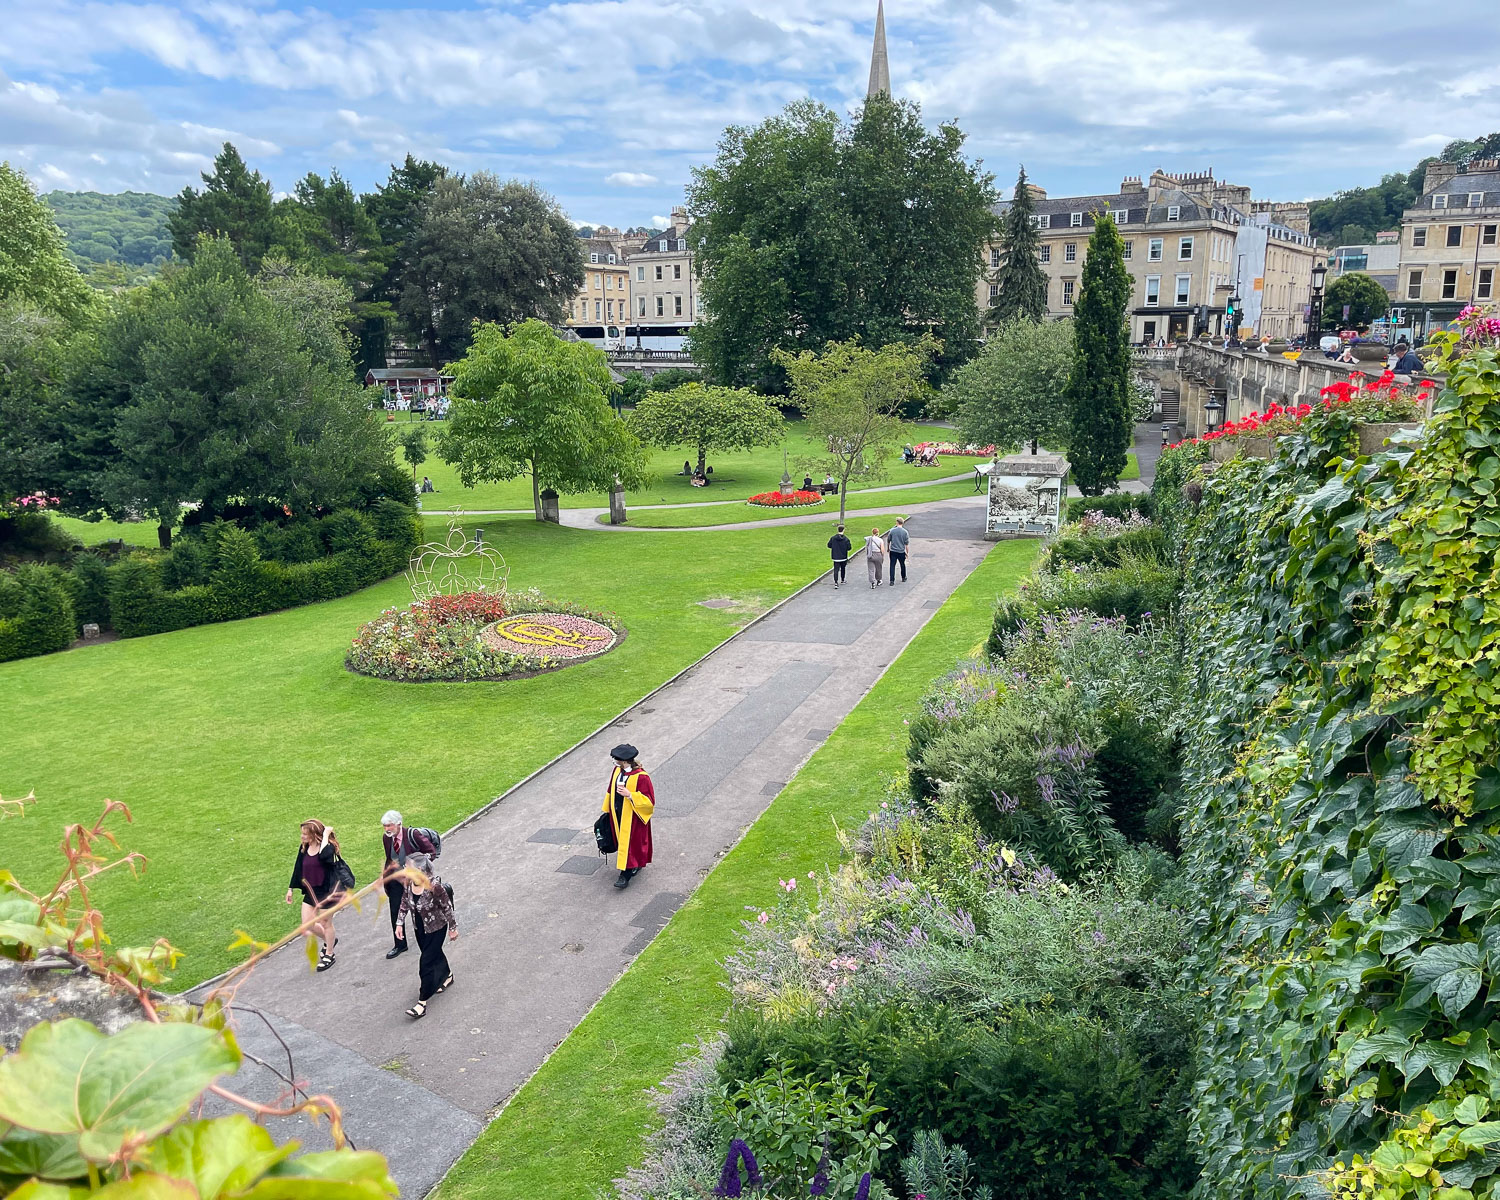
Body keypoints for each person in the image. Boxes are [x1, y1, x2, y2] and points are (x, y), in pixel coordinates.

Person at [394, 852, 457, 1019]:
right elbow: (404, 903)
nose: (404, 869)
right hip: (420, 928)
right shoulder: (409, 884)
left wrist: (453, 928)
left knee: (426, 963)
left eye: (407, 867)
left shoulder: (434, 886)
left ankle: (422, 1002)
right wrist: (399, 923)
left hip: (437, 928)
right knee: (433, 954)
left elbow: (447, 907)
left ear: (419, 869)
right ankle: (448, 975)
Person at [285, 819, 343, 973]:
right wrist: (291, 888)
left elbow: (324, 856)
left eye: (305, 834)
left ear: (314, 834)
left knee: (326, 923)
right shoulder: (304, 848)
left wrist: (325, 835)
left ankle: (329, 953)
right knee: (307, 924)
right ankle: (330, 940)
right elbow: (298, 867)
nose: (302, 836)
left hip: (327, 892)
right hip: (311, 892)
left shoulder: (328, 848)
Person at [381, 811, 437, 959]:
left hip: (414, 882)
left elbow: (431, 852)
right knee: (395, 911)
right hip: (396, 881)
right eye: (384, 826)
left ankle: (427, 940)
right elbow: (390, 858)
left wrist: (418, 868)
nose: (386, 829)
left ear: (399, 824)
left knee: (420, 910)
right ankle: (400, 944)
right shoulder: (386, 839)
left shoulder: (414, 835)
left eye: (389, 825)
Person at [603, 744, 654, 889]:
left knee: (631, 844)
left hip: (633, 817)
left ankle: (625, 875)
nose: (614, 761)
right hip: (617, 813)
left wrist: (630, 795)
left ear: (624, 761)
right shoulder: (616, 771)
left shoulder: (642, 777)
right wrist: (606, 810)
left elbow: (649, 801)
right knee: (623, 841)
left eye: (616, 759)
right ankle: (634, 865)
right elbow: (610, 790)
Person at [827, 524, 852, 589]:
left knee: (836, 569)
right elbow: (849, 548)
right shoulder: (846, 539)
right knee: (843, 568)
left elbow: (829, 545)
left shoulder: (833, 538)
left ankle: (836, 583)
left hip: (835, 556)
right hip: (843, 556)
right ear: (843, 530)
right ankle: (842, 580)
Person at [886, 517, 910, 584]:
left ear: (897, 522)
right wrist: (907, 553)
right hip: (901, 551)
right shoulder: (905, 532)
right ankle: (903, 577)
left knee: (892, 565)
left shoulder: (892, 531)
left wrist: (888, 548)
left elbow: (888, 540)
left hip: (893, 551)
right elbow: (906, 544)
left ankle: (891, 580)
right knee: (902, 564)